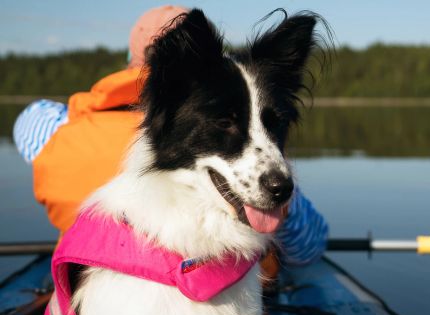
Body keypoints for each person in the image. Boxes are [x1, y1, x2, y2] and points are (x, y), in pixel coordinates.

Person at [13, 5, 328, 267]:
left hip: (81, 273)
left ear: (132, 61)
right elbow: (306, 249)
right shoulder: (260, 169)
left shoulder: (58, 129)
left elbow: (28, 121)